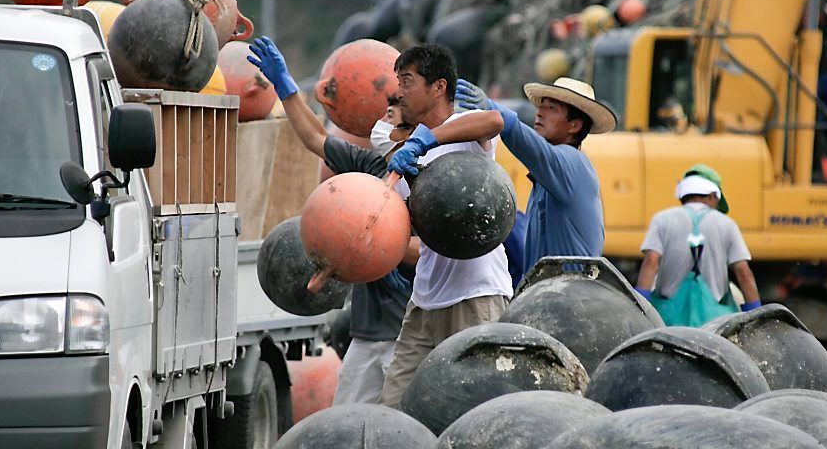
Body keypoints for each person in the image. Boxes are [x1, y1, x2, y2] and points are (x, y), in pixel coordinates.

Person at [247, 36, 415, 405]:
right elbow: (315, 137)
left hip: (411, 333)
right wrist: (286, 87)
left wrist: (374, 241)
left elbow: (432, 253)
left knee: (404, 430)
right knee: (346, 422)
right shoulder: (371, 164)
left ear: (411, 132)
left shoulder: (433, 179)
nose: (381, 125)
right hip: (369, 331)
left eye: (391, 118)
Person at [378, 43, 513, 408]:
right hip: (425, 297)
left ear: (439, 87)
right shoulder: (405, 146)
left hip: (475, 293)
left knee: (478, 407)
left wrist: (426, 139)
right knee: (394, 405)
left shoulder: (465, 129)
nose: (400, 91)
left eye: (407, 81)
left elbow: (495, 121)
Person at [440, 77, 616, 277]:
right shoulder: (547, 178)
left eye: (552, 108)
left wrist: (494, 111)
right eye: (542, 106)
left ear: (574, 125)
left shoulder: (574, 162)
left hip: (572, 296)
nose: (540, 112)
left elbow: (531, 146)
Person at [634, 164, 762, 326]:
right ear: (712, 196)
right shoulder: (727, 224)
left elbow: (651, 262)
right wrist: (757, 315)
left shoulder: (662, 219)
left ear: (682, 196)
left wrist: (640, 308)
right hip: (716, 323)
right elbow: (744, 273)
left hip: (667, 320)